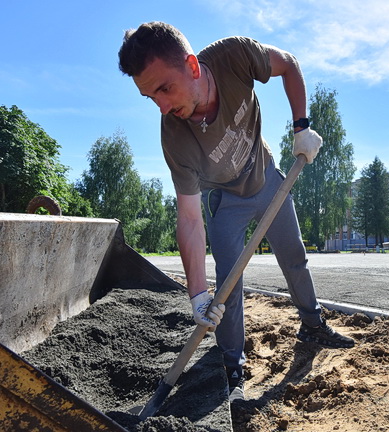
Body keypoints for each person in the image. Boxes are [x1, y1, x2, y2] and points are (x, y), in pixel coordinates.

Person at [118, 21, 354, 400]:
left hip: (267, 179)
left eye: (164, 88)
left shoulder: (235, 56)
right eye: (150, 98)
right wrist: (197, 295)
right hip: (224, 201)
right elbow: (190, 218)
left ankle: (312, 324)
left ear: (192, 67)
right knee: (227, 288)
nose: (162, 106)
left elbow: (289, 65)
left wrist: (301, 127)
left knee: (294, 256)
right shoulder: (175, 136)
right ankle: (233, 368)